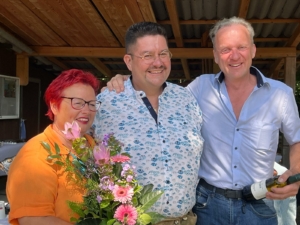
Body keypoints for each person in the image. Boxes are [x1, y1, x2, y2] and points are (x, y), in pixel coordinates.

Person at [105, 17, 300, 225]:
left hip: (259, 203)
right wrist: (127, 79)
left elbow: (296, 139)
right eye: (225, 49)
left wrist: (296, 172)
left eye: (241, 47)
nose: (234, 56)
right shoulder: (198, 89)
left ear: (253, 50)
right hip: (208, 205)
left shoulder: (281, 94)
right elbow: (158, 87)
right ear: (215, 55)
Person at [92, 22, 204, 224]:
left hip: (186, 220)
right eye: (147, 56)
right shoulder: (106, 103)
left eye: (163, 53)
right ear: (129, 61)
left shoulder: (186, 99)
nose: (158, 62)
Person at [6, 69, 100, 225]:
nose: (86, 110)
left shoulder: (91, 144)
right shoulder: (36, 156)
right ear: (55, 106)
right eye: (77, 103)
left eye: (92, 104)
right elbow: (33, 220)